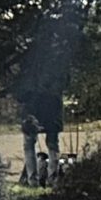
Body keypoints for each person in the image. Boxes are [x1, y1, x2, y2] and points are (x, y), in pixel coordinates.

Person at [13, 11, 75, 184]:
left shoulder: (29, 55)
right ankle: (52, 178)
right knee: (52, 143)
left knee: (29, 143)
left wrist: (22, 97)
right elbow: (65, 80)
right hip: (52, 104)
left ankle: (32, 179)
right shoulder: (59, 55)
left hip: (33, 104)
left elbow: (21, 81)